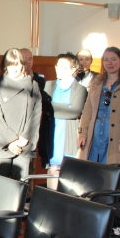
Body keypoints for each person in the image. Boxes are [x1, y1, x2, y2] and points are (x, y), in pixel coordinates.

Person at [77, 47, 120, 165]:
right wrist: (82, 133)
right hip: (94, 135)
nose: (109, 63)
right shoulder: (96, 81)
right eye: (106, 60)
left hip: (117, 136)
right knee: (91, 170)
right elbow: (87, 110)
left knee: (112, 173)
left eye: (113, 59)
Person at [0, 48, 42, 181]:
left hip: (24, 143)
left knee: (21, 186)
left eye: (17, 64)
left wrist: (24, 138)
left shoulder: (33, 85)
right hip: (3, 144)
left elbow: (36, 115)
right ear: (5, 66)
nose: (14, 68)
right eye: (11, 64)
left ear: (22, 64)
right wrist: (11, 142)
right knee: (0, 185)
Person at [41, 53, 87, 189]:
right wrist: (66, 108)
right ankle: (51, 198)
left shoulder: (80, 89)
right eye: (58, 66)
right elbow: (44, 107)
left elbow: (75, 111)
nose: (60, 70)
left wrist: (52, 109)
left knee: (69, 172)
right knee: (52, 170)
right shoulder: (49, 85)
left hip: (69, 135)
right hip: (51, 133)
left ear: (73, 70)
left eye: (64, 67)